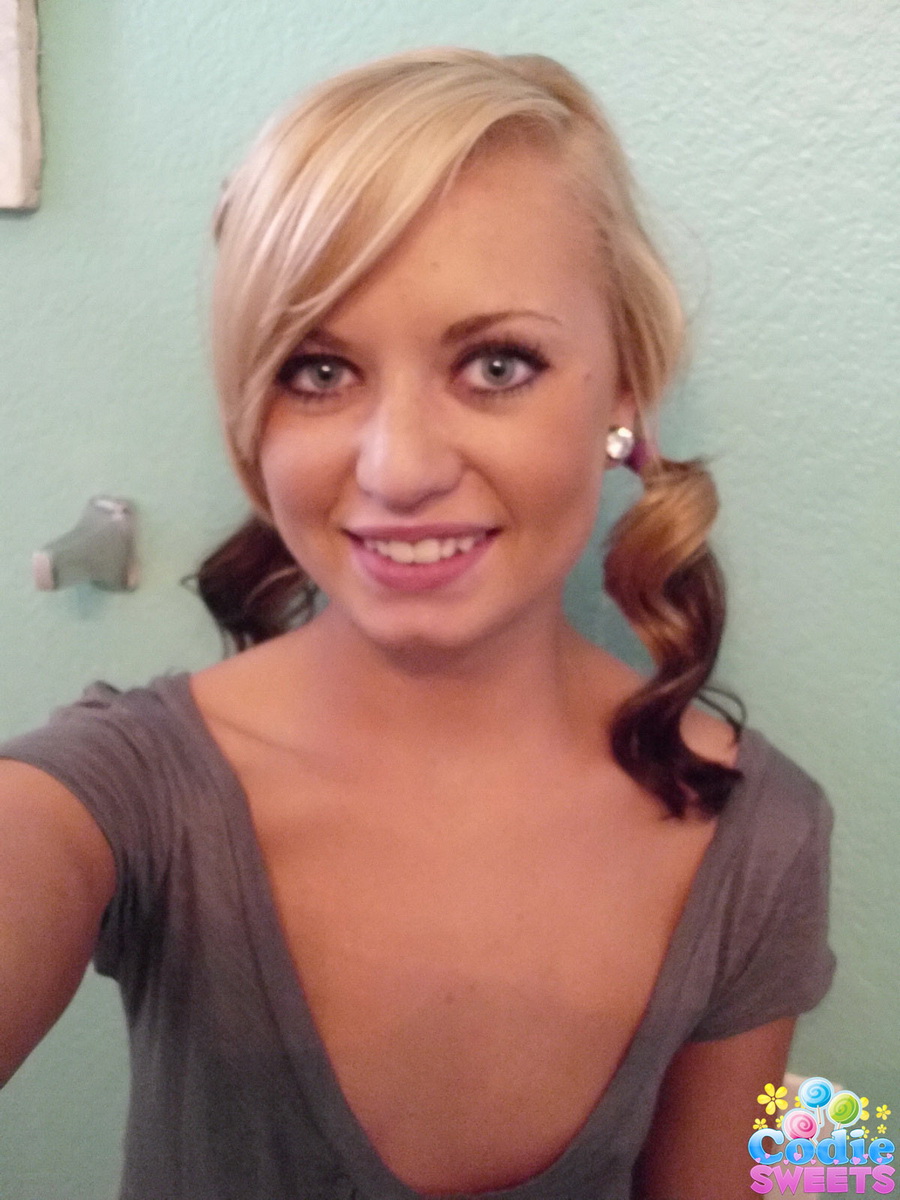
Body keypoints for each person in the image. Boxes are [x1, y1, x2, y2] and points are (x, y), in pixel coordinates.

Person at [0, 46, 835, 1200]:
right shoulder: (117, 796)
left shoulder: (760, 835)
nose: (399, 469)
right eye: (318, 370)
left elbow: (747, 1175)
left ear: (624, 386)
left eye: (496, 364)